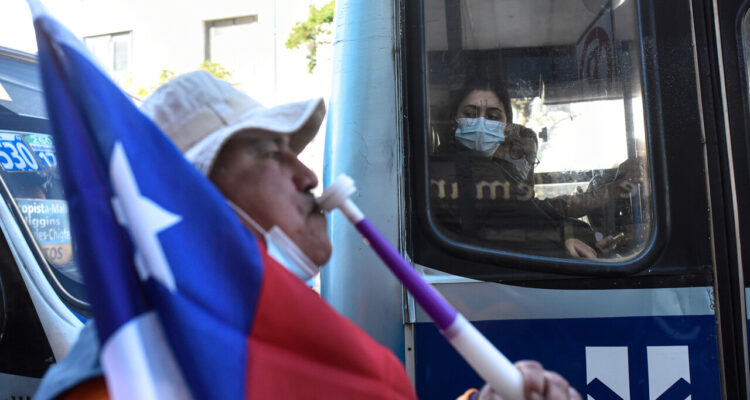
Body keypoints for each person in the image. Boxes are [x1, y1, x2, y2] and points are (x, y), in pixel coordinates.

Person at [34, 71, 580, 400]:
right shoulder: (126, 376)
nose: (309, 175)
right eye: (272, 153)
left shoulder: (252, 330)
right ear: (192, 203)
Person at [430, 78, 602, 259]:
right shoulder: (458, 169)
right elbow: (520, 226)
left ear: (506, 127)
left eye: (493, 117)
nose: (481, 124)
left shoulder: (495, 169)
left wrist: (571, 236)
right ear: (455, 120)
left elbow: (531, 212)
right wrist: (563, 240)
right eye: (470, 114)